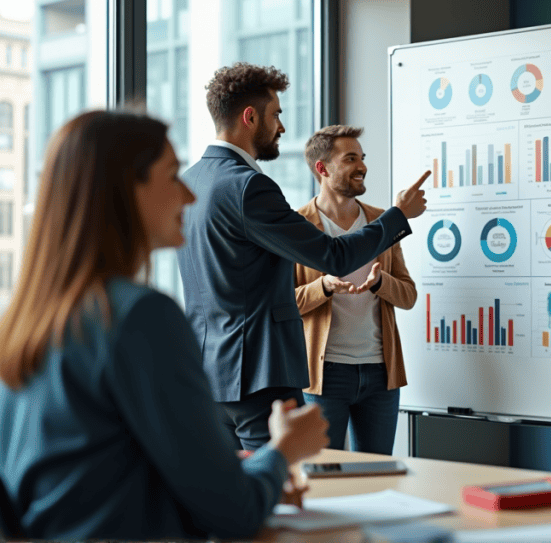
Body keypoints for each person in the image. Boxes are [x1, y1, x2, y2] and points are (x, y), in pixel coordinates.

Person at [0, 111, 330, 539]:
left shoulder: (23, 324)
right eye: (173, 175)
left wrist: (250, 479)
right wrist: (283, 451)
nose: (189, 198)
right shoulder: (140, 317)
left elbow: (94, 480)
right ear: (126, 190)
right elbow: (234, 513)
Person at [177, 63, 430, 450]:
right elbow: (333, 254)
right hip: (260, 378)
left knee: (235, 497)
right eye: (276, 114)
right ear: (249, 117)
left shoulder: (191, 181)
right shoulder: (250, 187)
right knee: (281, 490)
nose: (281, 126)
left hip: (209, 378)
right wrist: (398, 217)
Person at [294, 125, 416, 453]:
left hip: (381, 374)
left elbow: (409, 295)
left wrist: (381, 282)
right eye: (350, 158)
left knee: (377, 475)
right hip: (324, 376)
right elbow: (282, 303)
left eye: (362, 158)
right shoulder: (297, 225)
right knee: (322, 472)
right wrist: (323, 287)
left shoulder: (382, 222)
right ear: (322, 168)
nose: (362, 166)